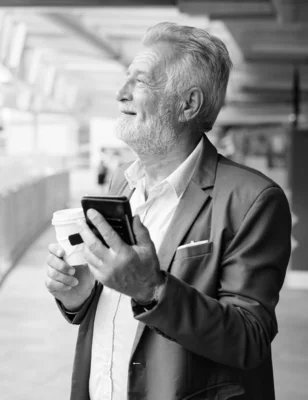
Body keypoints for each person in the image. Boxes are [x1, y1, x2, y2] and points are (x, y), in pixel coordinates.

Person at [45, 22, 291, 400]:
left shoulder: (253, 199)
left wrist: (152, 289)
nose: (119, 93)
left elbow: (249, 338)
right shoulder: (121, 184)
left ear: (188, 104)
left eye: (139, 82)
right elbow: (118, 308)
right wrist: (80, 296)